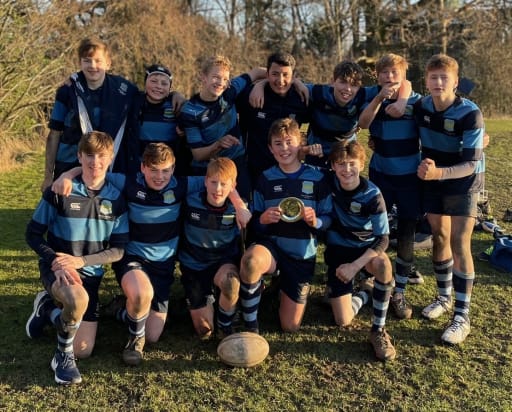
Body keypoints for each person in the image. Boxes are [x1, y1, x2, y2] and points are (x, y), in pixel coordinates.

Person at [52, 143, 250, 363]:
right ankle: (134, 342)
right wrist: (67, 175)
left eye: (165, 170)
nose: (160, 176)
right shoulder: (128, 182)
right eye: (154, 170)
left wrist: (240, 206)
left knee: (154, 334)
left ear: (173, 168)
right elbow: (95, 169)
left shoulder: (181, 185)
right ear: (143, 167)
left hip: (163, 265)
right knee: (141, 294)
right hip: (133, 259)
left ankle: (122, 309)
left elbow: (222, 182)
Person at [25, 131, 129, 385]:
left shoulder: (116, 198)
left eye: (102, 156)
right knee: (77, 299)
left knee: (85, 348)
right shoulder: (61, 190)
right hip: (57, 269)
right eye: (89, 156)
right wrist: (55, 261)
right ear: (79, 156)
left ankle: (47, 308)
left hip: (89, 274)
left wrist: (80, 262)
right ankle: (62, 357)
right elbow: (33, 234)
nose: (95, 162)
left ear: (111, 158)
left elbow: (118, 250)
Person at [414, 54, 485, 345]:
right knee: (439, 236)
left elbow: (470, 163)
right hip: (433, 178)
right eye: (434, 77)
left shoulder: (471, 113)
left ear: (456, 82)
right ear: (426, 81)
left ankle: (461, 315)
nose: (438, 82)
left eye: (445, 78)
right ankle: (443, 297)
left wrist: (438, 173)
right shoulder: (420, 106)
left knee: (459, 242)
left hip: (464, 182)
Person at [239, 118, 332, 333]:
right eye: (278, 143)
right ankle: (250, 326)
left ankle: (282, 286)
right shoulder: (265, 178)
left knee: (290, 327)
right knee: (251, 262)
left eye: (289, 142)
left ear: (300, 143)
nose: (284, 148)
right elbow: (255, 221)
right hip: (272, 249)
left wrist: (314, 221)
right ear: (270, 148)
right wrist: (261, 220)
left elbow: (329, 218)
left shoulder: (317, 177)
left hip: (300, 255)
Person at [358, 53, 424, 320]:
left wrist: (404, 98)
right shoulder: (370, 95)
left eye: (394, 72)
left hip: (410, 175)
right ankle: (367, 278)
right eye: (384, 72)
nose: (389, 77)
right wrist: (379, 99)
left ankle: (400, 291)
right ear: (377, 75)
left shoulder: (417, 101)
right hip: (381, 173)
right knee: (373, 227)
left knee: (406, 232)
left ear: (403, 75)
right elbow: (363, 124)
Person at [324, 140, 396, 361]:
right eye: (341, 164)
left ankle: (378, 330)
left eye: (352, 163)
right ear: (333, 166)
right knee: (343, 321)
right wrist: (308, 149)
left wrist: (355, 266)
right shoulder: (327, 182)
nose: (347, 170)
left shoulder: (373, 195)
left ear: (362, 164)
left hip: (364, 253)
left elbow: (383, 239)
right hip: (338, 252)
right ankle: (365, 291)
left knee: (383, 265)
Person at [41, 37, 138, 192]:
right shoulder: (67, 91)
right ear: (80, 63)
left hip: (109, 167)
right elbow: (54, 134)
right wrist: (48, 177)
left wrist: (175, 96)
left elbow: (153, 96)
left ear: (108, 63)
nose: (93, 66)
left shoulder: (125, 90)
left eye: (98, 61)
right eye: (87, 61)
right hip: (69, 166)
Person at [179, 157, 250, 340]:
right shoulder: (189, 200)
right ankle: (205, 298)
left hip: (222, 263)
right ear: (205, 181)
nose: (218, 189)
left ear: (233, 185)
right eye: (213, 182)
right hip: (193, 266)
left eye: (223, 184)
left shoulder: (237, 209)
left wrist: (241, 206)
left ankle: (225, 325)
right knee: (204, 331)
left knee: (231, 282)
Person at [178, 55, 266, 199]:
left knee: (243, 208)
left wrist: (262, 84)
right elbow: (198, 154)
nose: (221, 83)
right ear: (203, 77)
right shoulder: (190, 111)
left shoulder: (229, 91)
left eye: (225, 79)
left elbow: (256, 72)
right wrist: (218, 145)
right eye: (216, 77)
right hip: (206, 170)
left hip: (236, 163)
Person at [237, 52, 311, 184]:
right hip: (254, 169)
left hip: (287, 169)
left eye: (285, 75)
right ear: (267, 74)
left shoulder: (301, 98)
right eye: (275, 74)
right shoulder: (252, 95)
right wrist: (259, 84)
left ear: (293, 77)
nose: (280, 80)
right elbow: (225, 96)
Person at [127, 64, 190, 178]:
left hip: (167, 171)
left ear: (170, 88)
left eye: (164, 83)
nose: (158, 86)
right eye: (154, 81)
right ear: (145, 83)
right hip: (139, 169)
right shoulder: (134, 103)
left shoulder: (176, 106)